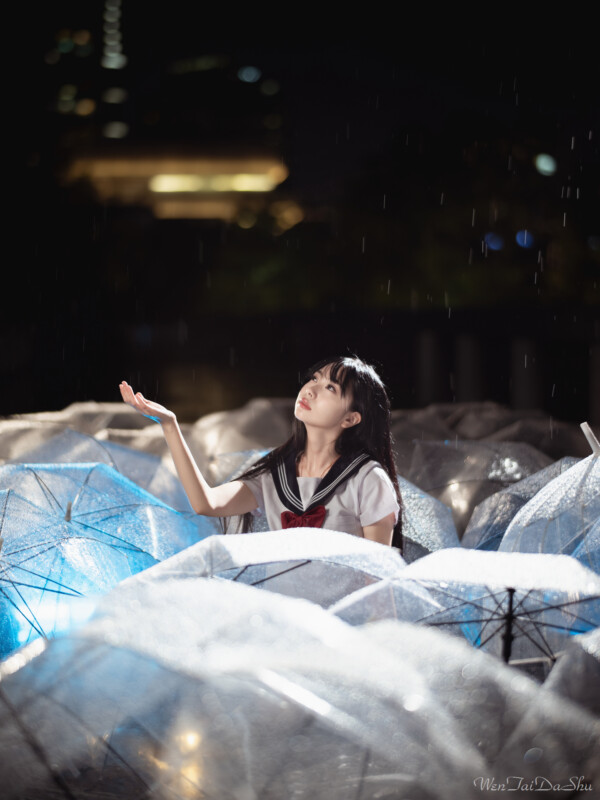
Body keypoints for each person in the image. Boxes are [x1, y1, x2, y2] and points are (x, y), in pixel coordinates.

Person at [119, 356, 402, 549]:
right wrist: (170, 425)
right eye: (314, 379)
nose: (311, 390)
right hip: (281, 620)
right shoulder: (276, 472)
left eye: (330, 387)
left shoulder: (368, 481)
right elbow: (206, 503)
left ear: (351, 419)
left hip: (340, 627)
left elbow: (376, 580)